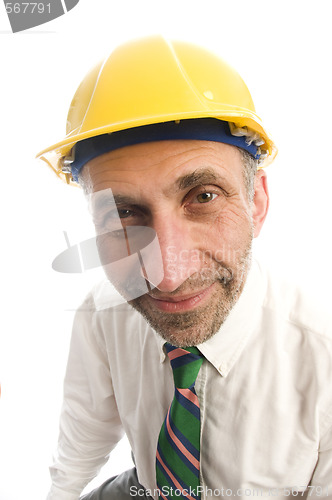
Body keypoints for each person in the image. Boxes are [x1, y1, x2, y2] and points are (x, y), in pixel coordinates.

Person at [38, 36, 332, 500]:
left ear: (256, 202)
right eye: (122, 216)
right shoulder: (101, 310)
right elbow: (84, 434)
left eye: (204, 197)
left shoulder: (323, 357)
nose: (167, 276)